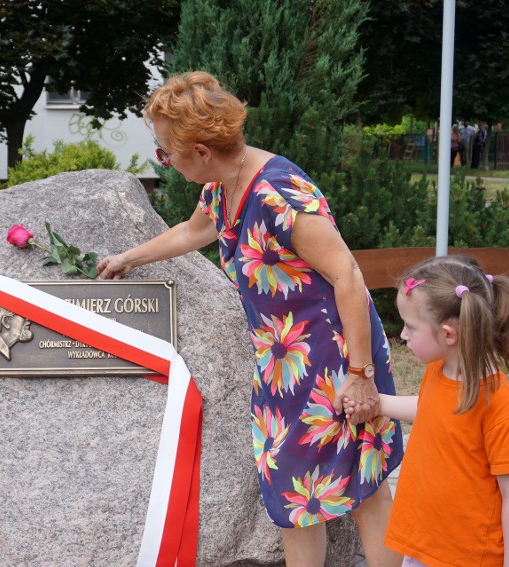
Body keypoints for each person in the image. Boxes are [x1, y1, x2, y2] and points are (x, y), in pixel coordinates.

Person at [97, 71, 404, 567]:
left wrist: (360, 377)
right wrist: (129, 258)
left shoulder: (278, 192)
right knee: (294, 497)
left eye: (165, 153)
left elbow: (347, 275)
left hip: (334, 356)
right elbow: (189, 233)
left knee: (364, 485)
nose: (166, 162)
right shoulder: (223, 188)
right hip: (282, 364)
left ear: (200, 150)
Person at [344, 255, 509, 567]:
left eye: (410, 327)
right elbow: (431, 410)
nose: (403, 336)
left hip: (467, 556)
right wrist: (378, 405)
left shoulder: (500, 406)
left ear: (449, 334)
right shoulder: (440, 370)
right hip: (424, 545)